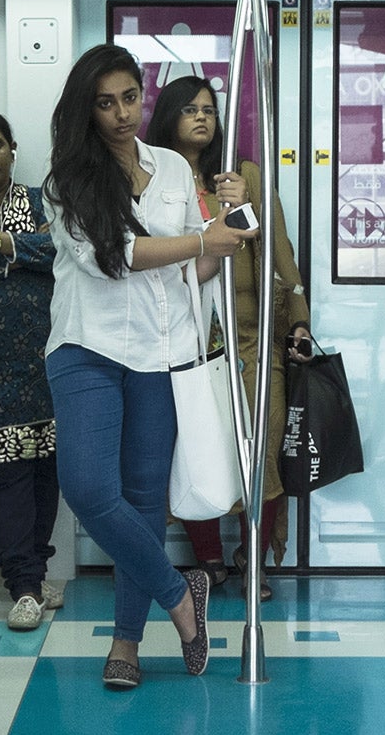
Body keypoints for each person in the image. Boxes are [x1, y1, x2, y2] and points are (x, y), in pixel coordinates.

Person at [43, 44, 257, 691]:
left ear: (143, 95)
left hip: (162, 353)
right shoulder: (66, 183)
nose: (120, 114)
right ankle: (177, 594)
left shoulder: (169, 168)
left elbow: (199, 270)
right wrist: (201, 238)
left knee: (142, 503)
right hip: (88, 345)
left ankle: (126, 646)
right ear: (86, 110)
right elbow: (116, 256)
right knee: (87, 489)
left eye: (129, 97)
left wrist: (229, 221)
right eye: (105, 103)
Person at [147, 75, 314, 602]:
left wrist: (299, 320)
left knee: (259, 447)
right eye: (189, 109)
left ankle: (254, 559)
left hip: (249, 337)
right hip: (182, 335)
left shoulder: (242, 177)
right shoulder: (155, 178)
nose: (202, 118)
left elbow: (278, 254)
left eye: (210, 110)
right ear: (168, 116)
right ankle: (208, 558)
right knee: (196, 442)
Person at [0, 111, 61, 632]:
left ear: (12, 148)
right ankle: (23, 587)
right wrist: (23, 253)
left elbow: (62, 250)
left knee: (45, 471)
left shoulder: (38, 201)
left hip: (47, 354)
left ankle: (37, 571)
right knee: (7, 474)